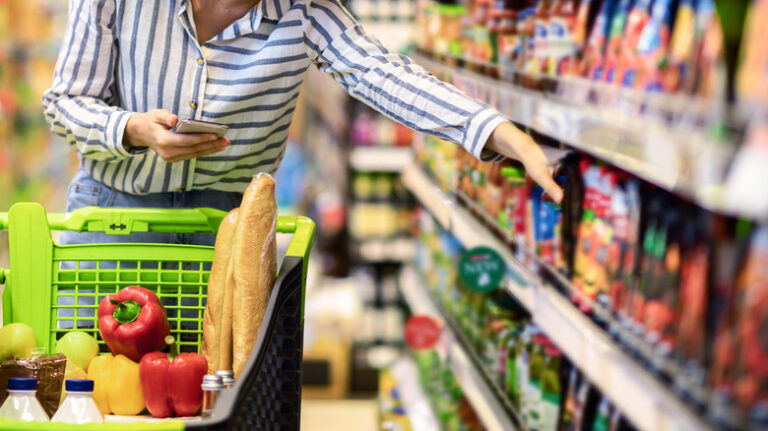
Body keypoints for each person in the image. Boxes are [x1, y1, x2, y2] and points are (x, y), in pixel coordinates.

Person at [43, 0, 563, 247]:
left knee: (217, 401)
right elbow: (65, 101)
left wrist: (499, 131)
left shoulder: (307, 11)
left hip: (230, 230)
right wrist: (133, 129)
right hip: (111, 218)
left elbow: (383, 74)